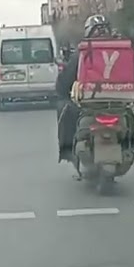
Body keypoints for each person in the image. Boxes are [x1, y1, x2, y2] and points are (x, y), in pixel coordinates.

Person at [56, 14, 114, 163]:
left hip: (91, 103)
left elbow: (64, 82)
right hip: (116, 102)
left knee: (65, 108)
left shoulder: (82, 53)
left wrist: (63, 91)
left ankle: (67, 150)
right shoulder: (121, 49)